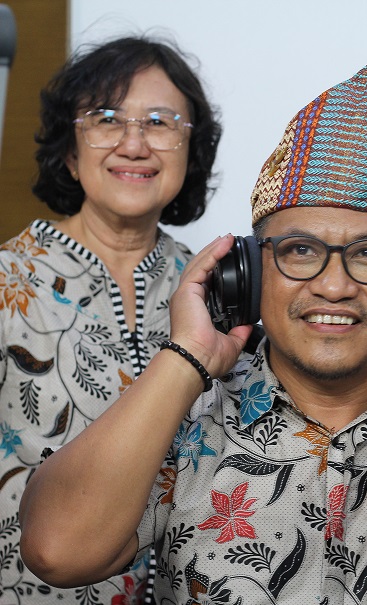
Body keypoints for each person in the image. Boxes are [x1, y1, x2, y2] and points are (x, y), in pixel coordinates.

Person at [18, 64, 367, 605]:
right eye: (300, 251)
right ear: (246, 273)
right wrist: (186, 356)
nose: (334, 286)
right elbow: (57, 551)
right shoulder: (186, 419)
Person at [0, 36, 221, 603]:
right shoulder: (6, 282)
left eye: (160, 122)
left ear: (190, 151)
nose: (134, 143)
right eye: (106, 119)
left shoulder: (218, 293)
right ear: (70, 153)